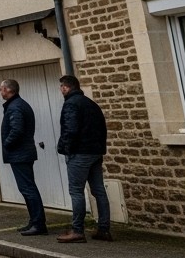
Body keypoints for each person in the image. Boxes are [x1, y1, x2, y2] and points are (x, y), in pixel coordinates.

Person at [57, 74, 112, 243]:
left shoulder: (71, 104)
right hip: (95, 152)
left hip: (79, 153)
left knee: (76, 191)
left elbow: (70, 130)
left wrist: (65, 149)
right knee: (99, 190)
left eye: (61, 88)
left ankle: (77, 231)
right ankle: (104, 229)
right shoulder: (91, 104)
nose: (61, 91)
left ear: (66, 87)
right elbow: (102, 128)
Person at [0, 79, 47, 236]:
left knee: (28, 188)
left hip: (20, 154)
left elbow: (17, 130)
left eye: (1, 89)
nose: (0, 92)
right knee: (26, 188)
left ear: (8, 90)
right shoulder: (17, 105)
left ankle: (38, 224)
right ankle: (34, 221)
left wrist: (7, 143)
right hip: (21, 153)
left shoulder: (16, 107)